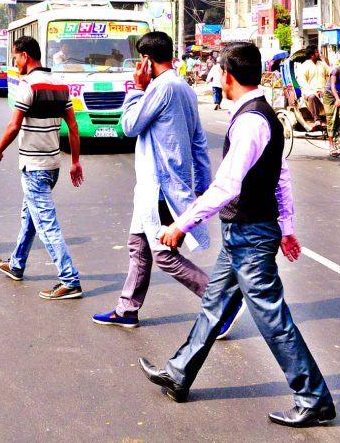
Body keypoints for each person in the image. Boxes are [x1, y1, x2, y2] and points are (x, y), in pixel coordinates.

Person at [141, 42, 335, 428]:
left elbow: (228, 185)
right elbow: (279, 176)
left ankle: (313, 398)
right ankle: (179, 373)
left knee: (271, 318)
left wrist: (182, 224)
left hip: (250, 234)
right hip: (246, 232)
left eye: (218, 72)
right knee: (214, 305)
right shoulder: (258, 115)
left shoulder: (250, 121)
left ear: (227, 76)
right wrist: (287, 227)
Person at [91, 32, 244, 336]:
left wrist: (136, 88)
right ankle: (127, 308)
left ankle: (221, 300)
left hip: (159, 187)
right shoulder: (183, 88)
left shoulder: (161, 88)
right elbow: (199, 140)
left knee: (163, 254)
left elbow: (129, 125)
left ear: (145, 60)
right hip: (155, 185)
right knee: (138, 247)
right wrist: (201, 180)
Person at [0, 36, 85, 299]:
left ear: (25, 56)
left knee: (46, 224)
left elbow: (13, 125)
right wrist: (75, 161)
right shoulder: (60, 84)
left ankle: (70, 279)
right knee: (31, 216)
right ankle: (16, 264)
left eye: (15, 57)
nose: (15, 62)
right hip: (53, 164)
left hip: (34, 166)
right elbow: (73, 127)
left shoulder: (28, 85)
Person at [294, 44, 329, 127]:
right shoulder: (304, 66)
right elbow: (302, 81)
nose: (318, 53)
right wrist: (314, 90)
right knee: (312, 96)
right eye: (317, 52)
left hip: (323, 90)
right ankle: (317, 119)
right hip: (309, 91)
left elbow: (330, 72)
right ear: (312, 55)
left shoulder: (322, 64)